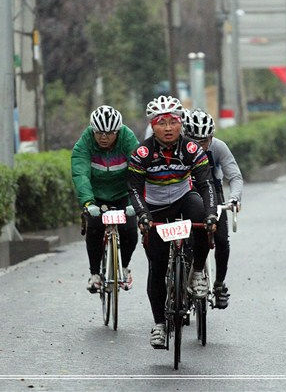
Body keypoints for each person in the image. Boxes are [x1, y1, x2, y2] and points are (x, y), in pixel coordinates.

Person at [127, 95, 217, 348]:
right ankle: (158, 324)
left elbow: (206, 183)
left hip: (182, 198)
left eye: (173, 122)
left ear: (181, 123)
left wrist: (211, 214)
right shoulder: (142, 153)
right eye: (161, 122)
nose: (168, 128)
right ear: (152, 125)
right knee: (156, 265)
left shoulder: (191, 150)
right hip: (154, 208)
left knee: (202, 215)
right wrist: (143, 214)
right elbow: (133, 188)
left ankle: (197, 271)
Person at [71, 105, 139, 293]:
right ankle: (95, 274)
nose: (103, 137)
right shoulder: (84, 143)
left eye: (109, 133)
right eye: (99, 132)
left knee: (130, 229)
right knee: (94, 227)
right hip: (97, 196)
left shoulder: (127, 138)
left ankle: (124, 267)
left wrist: (135, 201)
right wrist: (88, 202)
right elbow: (80, 174)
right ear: (93, 130)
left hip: (123, 194)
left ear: (118, 131)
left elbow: (139, 170)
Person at [183, 109, 243, 309]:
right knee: (189, 240)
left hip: (213, 191)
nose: (199, 146)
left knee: (221, 241)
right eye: (194, 141)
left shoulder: (218, 147)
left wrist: (234, 198)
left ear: (211, 137)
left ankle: (219, 285)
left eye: (204, 141)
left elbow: (234, 176)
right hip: (187, 190)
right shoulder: (178, 148)